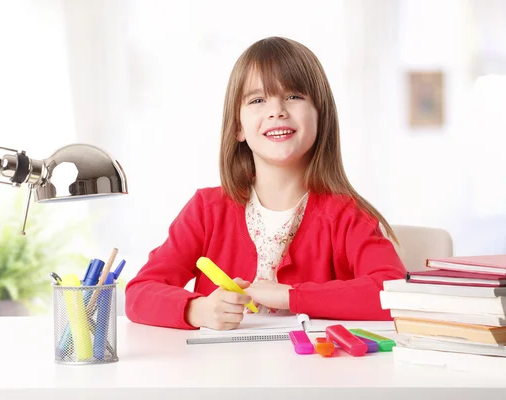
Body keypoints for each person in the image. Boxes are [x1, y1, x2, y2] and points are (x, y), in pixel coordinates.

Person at [125, 36, 406, 330]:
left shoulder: (348, 214)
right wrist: (198, 309)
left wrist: (291, 296)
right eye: (258, 100)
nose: (277, 111)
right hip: (221, 371)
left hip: (316, 372)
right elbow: (139, 293)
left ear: (320, 116)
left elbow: (395, 294)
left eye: (294, 96)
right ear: (238, 127)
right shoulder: (206, 210)